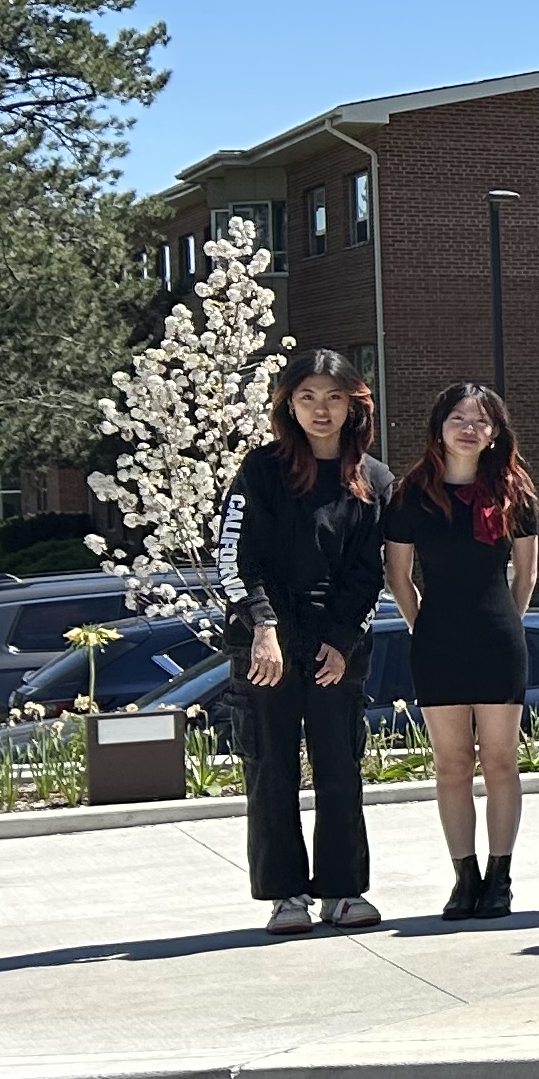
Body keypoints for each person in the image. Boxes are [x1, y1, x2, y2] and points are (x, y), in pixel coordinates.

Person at [218, 348, 393, 934]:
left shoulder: (374, 479)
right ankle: (284, 895)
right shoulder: (261, 471)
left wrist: (343, 641)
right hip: (266, 640)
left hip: (337, 646)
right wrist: (262, 628)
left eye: (334, 398)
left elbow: (370, 573)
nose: (322, 410)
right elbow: (235, 559)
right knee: (272, 769)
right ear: (289, 405)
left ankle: (343, 893)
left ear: (353, 405)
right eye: (308, 397)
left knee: (340, 765)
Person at [382, 382, 539, 920]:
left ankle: (500, 877)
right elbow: (399, 577)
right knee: (451, 765)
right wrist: (420, 625)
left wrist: (506, 624)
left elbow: (527, 575)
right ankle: (464, 876)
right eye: (458, 418)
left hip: (498, 637)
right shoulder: (411, 493)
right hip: (436, 639)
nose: (468, 428)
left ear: (495, 432)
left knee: (500, 763)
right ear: (439, 426)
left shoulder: (514, 490)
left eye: (481, 420)